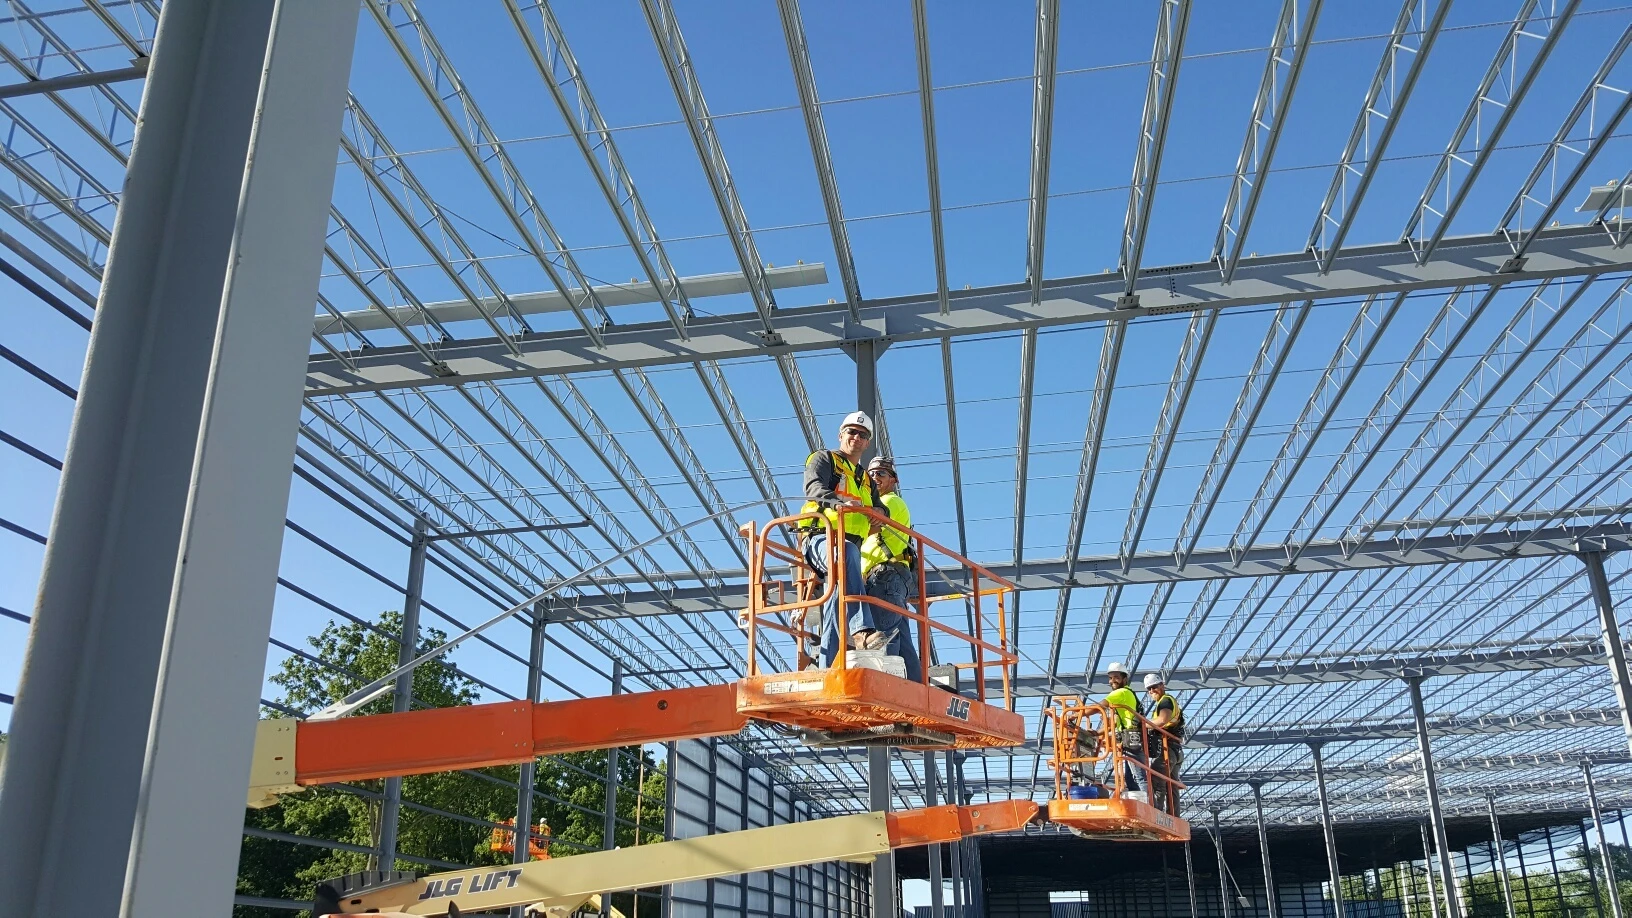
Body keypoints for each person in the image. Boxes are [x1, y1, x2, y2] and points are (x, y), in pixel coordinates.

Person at [800, 410, 887, 667]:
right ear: (841, 435)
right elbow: (814, 489)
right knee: (846, 554)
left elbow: (881, 506)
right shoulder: (824, 459)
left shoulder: (864, 478)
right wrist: (840, 501)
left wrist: (880, 513)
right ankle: (861, 631)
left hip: (849, 549)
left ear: (867, 443)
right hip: (821, 538)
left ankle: (829, 666)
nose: (856, 437)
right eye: (852, 432)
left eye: (863, 435)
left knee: (838, 601)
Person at [859, 456, 921, 682]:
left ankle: (886, 690)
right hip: (890, 580)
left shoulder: (890, 502)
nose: (875, 477)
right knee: (902, 642)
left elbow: (869, 523)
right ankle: (916, 694)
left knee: (883, 640)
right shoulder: (886, 503)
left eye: (881, 474)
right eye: (871, 473)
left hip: (885, 577)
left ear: (893, 480)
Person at [1144, 673, 1185, 817]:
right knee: (1171, 784)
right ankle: (1174, 816)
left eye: (1154, 687)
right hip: (1176, 751)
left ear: (1162, 685)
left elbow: (1162, 720)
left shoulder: (1165, 701)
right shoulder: (1166, 701)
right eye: (1148, 689)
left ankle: (1156, 814)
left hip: (1168, 750)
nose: (1151, 691)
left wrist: (1141, 724)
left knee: (1156, 778)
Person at [1103, 661, 1145, 793]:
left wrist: (1075, 714)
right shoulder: (1127, 694)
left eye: (1116, 677)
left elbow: (1099, 706)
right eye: (1110, 678)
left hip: (1131, 739)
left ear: (1124, 679)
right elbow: (1116, 722)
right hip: (1130, 739)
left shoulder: (1121, 692)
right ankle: (1141, 800)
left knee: (1138, 776)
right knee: (1131, 777)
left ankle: (1147, 802)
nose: (1112, 681)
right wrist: (1098, 732)